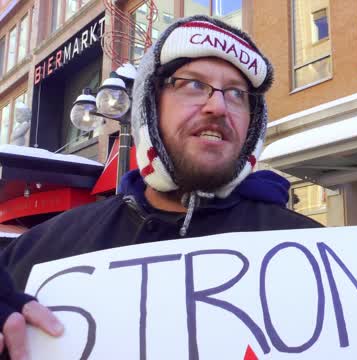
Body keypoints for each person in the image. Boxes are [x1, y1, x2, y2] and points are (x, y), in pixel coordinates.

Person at [0, 16, 322, 359]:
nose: (219, 106)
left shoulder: (314, 256)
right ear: (148, 108)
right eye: (194, 85)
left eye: (236, 93)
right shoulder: (40, 255)